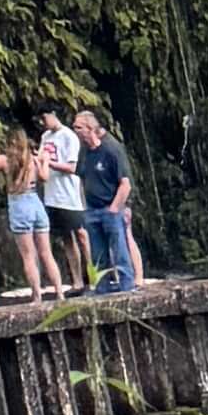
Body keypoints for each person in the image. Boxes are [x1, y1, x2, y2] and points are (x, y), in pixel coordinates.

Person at [80, 107, 141, 292]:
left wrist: (115, 208)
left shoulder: (111, 149)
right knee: (98, 254)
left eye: (78, 128)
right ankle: (102, 289)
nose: (75, 131)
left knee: (120, 250)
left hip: (110, 208)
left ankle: (127, 286)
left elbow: (125, 183)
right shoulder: (84, 151)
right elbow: (81, 178)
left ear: (90, 128)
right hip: (92, 209)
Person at [0, 127, 61, 302]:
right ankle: (59, 292)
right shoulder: (33, 160)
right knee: (46, 253)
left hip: (19, 204)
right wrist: (45, 160)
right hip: (36, 203)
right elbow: (45, 176)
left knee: (28, 255)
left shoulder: (5, 161)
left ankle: (37, 295)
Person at [39, 105, 89, 288]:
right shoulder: (45, 137)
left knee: (82, 235)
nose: (43, 123)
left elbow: (71, 167)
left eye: (45, 118)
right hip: (52, 195)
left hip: (69, 195)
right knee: (66, 238)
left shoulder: (69, 136)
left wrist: (48, 162)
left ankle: (93, 275)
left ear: (53, 114)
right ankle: (77, 281)